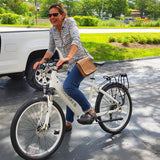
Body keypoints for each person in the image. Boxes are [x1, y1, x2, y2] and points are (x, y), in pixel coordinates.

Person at [33, 3, 96, 132]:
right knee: (68, 92)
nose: (52, 17)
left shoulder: (70, 23)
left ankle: (89, 110)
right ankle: (67, 123)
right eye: (49, 15)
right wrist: (41, 61)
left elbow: (76, 40)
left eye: (55, 14)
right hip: (71, 63)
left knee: (68, 87)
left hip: (82, 61)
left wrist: (68, 57)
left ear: (62, 15)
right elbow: (50, 50)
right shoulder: (52, 30)